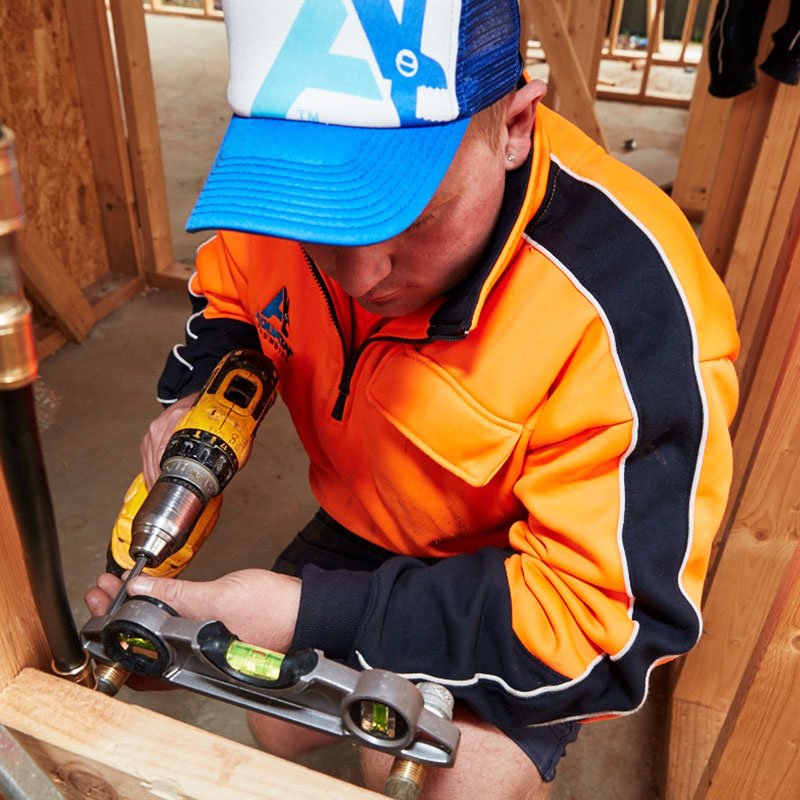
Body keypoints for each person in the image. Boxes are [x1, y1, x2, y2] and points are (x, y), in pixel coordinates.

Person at [86, 1, 740, 797]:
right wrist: (202, 396)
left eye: (415, 214)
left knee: (445, 781)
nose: (359, 277)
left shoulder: (633, 312)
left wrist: (309, 615)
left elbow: (606, 627)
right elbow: (234, 297)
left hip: (519, 571)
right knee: (278, 720)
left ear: (514, 128)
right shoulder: (282, 185)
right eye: (321, 217)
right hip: (371, 513)